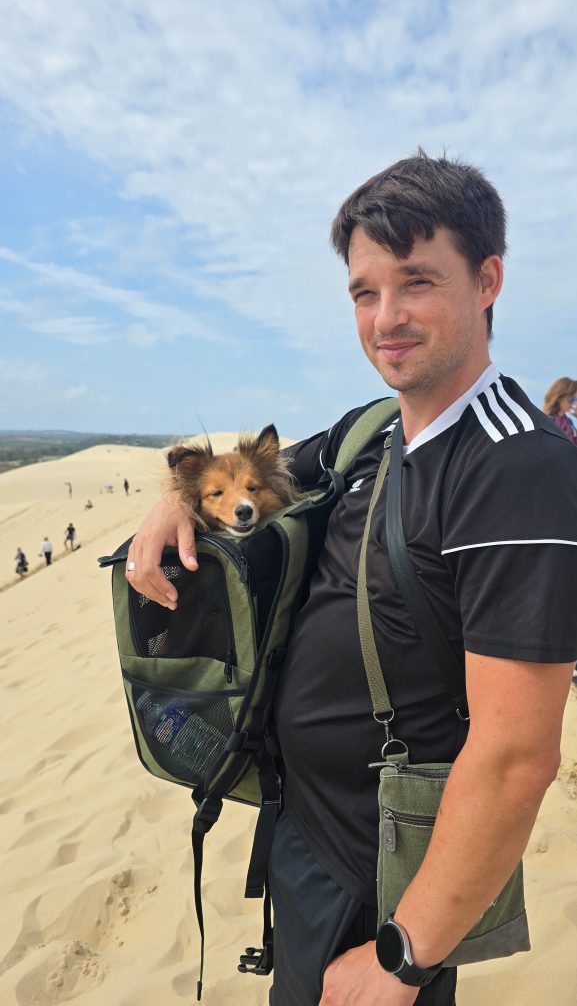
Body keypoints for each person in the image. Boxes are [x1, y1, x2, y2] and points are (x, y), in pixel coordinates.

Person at [123, 152, 577, 1006]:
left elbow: (517, 757)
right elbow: (251, 477)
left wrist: (404, 954)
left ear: (487, 280)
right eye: (365, 293)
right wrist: (169, 507)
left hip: (380, 874)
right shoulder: (370, 431)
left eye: (415, 282)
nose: (386, 318)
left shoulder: (516, 468)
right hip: (304, 827)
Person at [543, 377, 577, 447]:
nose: (574, 404)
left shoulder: (569, 422)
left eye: (575, 399)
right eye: (571, 399)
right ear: (559, 397)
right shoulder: (547, 421)